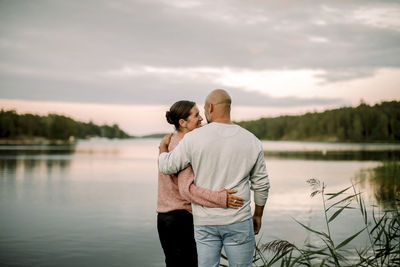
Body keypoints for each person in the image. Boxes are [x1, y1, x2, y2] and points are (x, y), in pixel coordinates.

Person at [159, 89, 270, 267]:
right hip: (238, 219)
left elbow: (166, 166)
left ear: (210, 108)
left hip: (205, 222)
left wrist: (163, 150)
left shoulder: (193, 138)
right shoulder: (252, 140)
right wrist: (258, 215)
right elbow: (262, 184)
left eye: (203, 109)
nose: (202, 116)